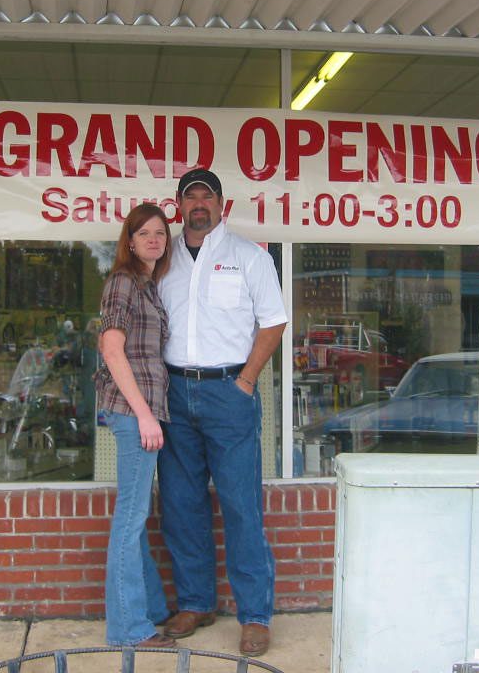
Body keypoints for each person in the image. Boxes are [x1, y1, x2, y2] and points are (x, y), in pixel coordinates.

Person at [157, 169, 287, 657]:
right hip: (173, 393)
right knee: (181, 504)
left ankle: (255, 614)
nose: (198, 205)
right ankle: (195, 602)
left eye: (205, 196)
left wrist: (247, 381)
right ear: (178, 205)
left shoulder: (250, 257)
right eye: (190, 197)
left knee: (240, 506)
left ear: (221, 204)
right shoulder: (162, 256)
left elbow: (273, 323)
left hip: (228, 394)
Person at [93, 203, 175, 649]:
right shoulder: (123, 282)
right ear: (129, 240)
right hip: (133, 415)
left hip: (144, 412)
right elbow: (111, 350)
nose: (153, 239)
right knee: (130, 517)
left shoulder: (148, 285)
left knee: (136, 516)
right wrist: (144, 414)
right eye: (144, 232)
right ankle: (129, 629)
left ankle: (152, 610)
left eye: (160, 233)